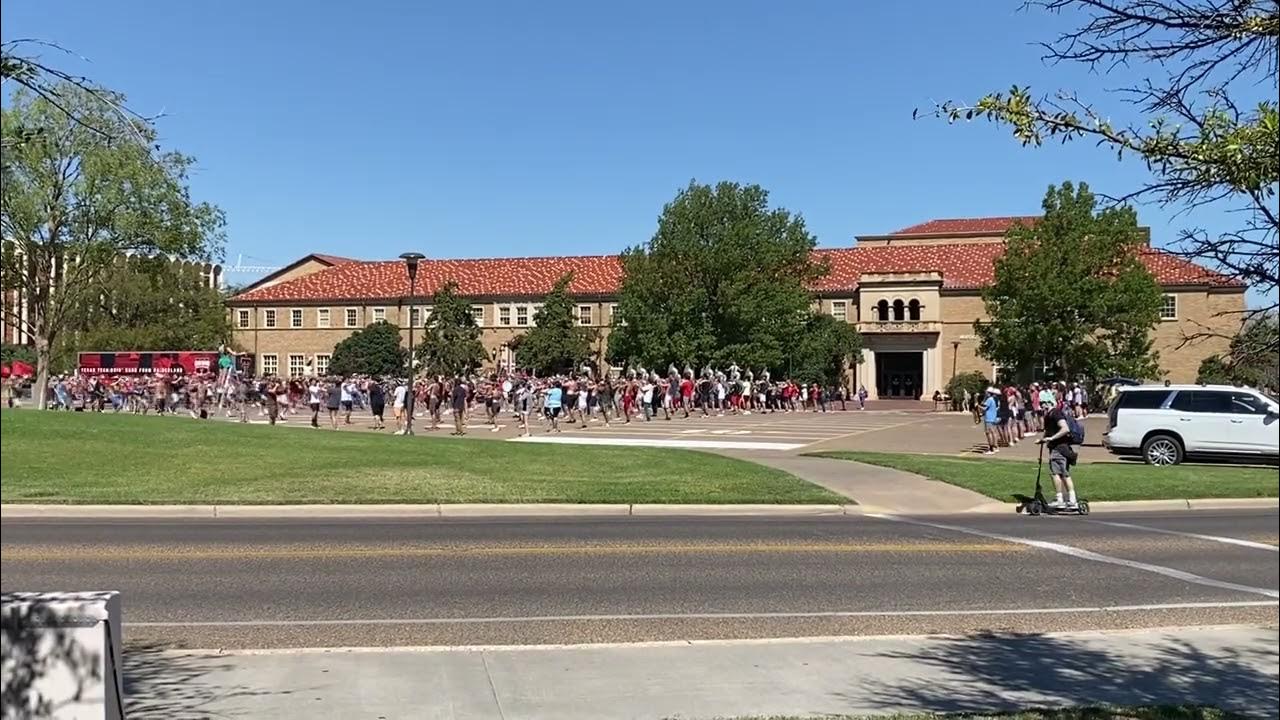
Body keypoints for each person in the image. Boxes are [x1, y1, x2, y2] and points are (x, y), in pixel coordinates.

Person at [1039, 404, 1080, 509]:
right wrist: (1043, 439)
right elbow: (1048, 432)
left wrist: (1051, 438)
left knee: (1056, 474)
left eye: (1043, 403)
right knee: (1064, 474)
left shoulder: (1055, 414)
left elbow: (1065, 429)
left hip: (1059, 449)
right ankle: (1072, 500)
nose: (1042, 406)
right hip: (1062, 449)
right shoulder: (1052, 415)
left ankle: (1060, 500)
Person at [981, 387, 1000, 455]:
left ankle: (991, 448)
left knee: (988, 433)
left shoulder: (989, 399)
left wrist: (978, 406)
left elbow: (984, 408)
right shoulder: (994, 399)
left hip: (989, 418)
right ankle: (995, 447)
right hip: (993, 417)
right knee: (993, 432)